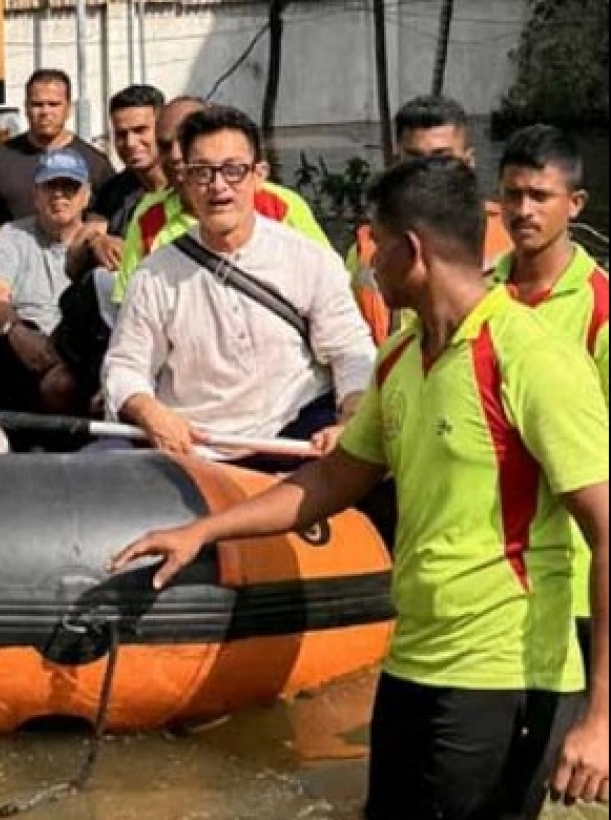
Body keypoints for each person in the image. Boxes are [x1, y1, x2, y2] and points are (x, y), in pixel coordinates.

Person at [112, 156, 610, 820]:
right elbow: (332, 478)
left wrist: (602, 717)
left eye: (374, 246)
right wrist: (203, 530)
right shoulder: (401, 358)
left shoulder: (532, 358)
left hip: (507, 676)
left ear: (414, 251)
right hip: (412, 665)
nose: (365, 267)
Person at [101, 106, 373, 467]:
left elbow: (351, 353)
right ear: (184, 178)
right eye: (202, 172)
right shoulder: (153, 276)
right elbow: (124, 367)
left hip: (297, 439)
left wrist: (351, 421)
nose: (218, 187)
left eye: (233, 171)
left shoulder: (310, 260)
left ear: (259, 175)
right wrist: (150, 413)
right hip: (196, 452)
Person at [493, 124, 608, 671]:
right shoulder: (479, 296)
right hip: (493, 576)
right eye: (512, 194)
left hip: (582, 574)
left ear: (575, 203)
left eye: (540, 196)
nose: (524, 209)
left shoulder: (601, 308)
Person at [112, 96, 330, 304]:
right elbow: (132, 308)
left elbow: (326, 287)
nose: (176, 155)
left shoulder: (280, 205)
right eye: (166, 145)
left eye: (186, 141)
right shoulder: (149, 218)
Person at [349, 95, 514, 344]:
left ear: (469, 162)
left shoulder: (513, 236)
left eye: (442, 158)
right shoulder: (368, 249)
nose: (427, 172)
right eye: (414, 159)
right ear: (395, 163)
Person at [0, 148, 93, 414]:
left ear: (86, 196)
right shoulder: (13, 234)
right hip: (23, 345)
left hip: (75, 352)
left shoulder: (97, 240)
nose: (59, 195)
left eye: (69, 187)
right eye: (50, 186)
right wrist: (16, 331)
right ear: (35, 194)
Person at [0, 69, 115, 257]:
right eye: (37, 104)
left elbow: (111, 227)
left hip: (77, 271)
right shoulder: (0, 159)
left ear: (68, 109)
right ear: (26, 108)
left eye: (54, 104)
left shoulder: (95, 163)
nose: (45, 112)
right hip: (16, 271)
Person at [77, 84, 169, 278]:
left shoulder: (187, 184)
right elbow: (73, 259)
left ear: (163, 128)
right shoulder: (113, 191)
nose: (130, 143)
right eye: (121, 134)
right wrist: (97, 242)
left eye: (140, 130)